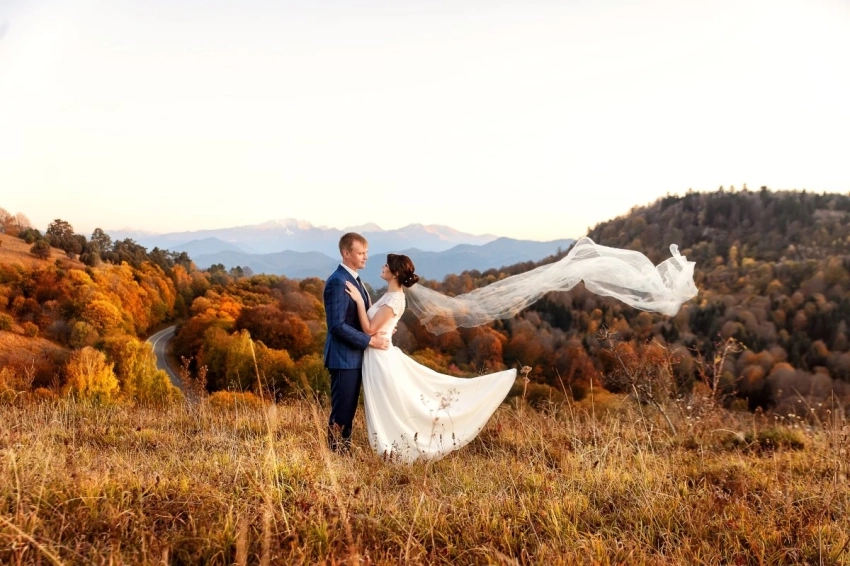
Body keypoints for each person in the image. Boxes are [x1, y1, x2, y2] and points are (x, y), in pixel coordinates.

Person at [345, 253, 517, 463]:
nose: (383, 266)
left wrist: (358, 302)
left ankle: (396, 451)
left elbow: (369, 329)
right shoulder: (389, 295)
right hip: (376, 355)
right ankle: (389, 451)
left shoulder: (395, 299)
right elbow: (379, 322)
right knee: (387, 405)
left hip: (380, 359)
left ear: (395, 273)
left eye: (387, 265)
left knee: (390, 405)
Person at [323, 233, 389, 453]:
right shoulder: (338, 282)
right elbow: (337, 325)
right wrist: (369, 340)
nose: (366, 257)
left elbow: (361, 319)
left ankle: (342, 454)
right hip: (343, 358)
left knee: (348, 410)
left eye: (366, 252)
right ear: (346, 253)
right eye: (361, 253)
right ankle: (336, 455)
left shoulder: (354, 279)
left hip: (354, 357)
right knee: (342, 412)